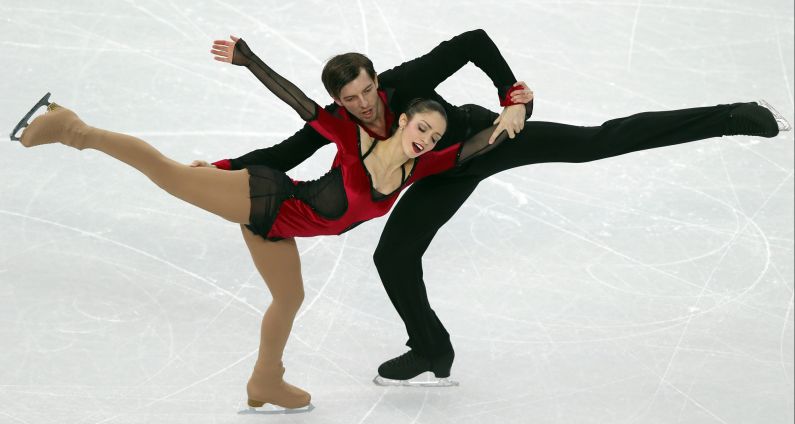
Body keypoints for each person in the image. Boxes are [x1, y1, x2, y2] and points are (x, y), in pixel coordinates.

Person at [200, 31, 790, 387]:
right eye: (347, 100)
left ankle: (731, 115)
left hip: (487, 138)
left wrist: (511, 99)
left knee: (593, 142)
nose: (360, 106)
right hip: (436, 175)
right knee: (393, 257)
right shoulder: (342, 124)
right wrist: (223, 169)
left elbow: (473, 41)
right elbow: (288, 149)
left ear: (379, 81)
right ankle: (431, 348)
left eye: (365, 92)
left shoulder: (407, 83)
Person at [10, 36, 530, 410]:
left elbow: (472, 151)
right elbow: (298, 104)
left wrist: (509, 118)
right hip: (264, 198)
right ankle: (71, 128)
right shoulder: (352, 140)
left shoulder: (425, 163)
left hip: (279, 229)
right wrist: (248, 59)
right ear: (403, 120)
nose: (425, 139)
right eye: (420, 128)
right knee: (168, 174)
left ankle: (266, 382)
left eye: (433, 136)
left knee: (288, 299)